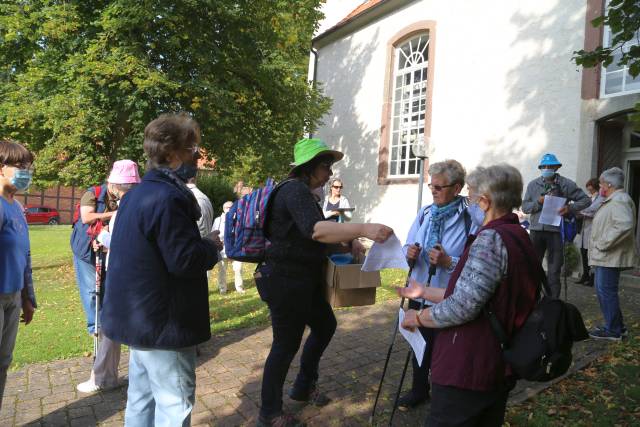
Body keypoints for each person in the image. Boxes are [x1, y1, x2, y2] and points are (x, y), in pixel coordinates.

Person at [255, 138, 393, 427]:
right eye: (325, 166)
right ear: (308, 167)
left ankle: (303, 385)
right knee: (285, 345)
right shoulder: (294, 191)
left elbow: (311, 239)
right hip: (285, 281)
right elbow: (315, 231)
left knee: (325, 325)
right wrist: (364, 228)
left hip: (302, 282)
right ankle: (269, 413)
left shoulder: (304, 193)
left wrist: (347, 244)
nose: (330, 173)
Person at [101, 114, 223, 426]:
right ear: (170, 153)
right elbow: (184, 261)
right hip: (163, 323)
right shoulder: (168, 197)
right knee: (174, 404)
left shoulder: (137, 195)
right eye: (192, 149)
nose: (198, 157)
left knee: (141, 401)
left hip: (139, 319)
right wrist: (210, 244)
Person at [399, 164, 540, 427]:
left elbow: (463, 306)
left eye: (473, 197)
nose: (470, 202)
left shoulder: (491, 239)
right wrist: (423, 291)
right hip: (496, 358)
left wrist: (418, 316)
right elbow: (480, 292)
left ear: (485, 202)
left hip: (470, 363)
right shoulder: (518, 233)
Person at [397, 159, 479, 410]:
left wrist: (448, 261)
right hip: (419, 291)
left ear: (456, 188)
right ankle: (419, 390)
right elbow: (406, 245)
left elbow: (477, 263)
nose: (433, 191)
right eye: (431, 186)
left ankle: (447, 397)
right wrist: (409, 253)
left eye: (439, 187)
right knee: (419, 346)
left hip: (448, 297)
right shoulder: (425, 213)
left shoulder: (470, 217)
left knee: (448, 351)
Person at [76, 160, 141, 393]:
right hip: (137, 277)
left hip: (121, 276)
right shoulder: (142, 204)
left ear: (114, 185)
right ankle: (130, 377)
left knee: (111, 325)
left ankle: (103, 378)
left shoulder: (124, 209)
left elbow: (124, 242)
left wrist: (103, 240)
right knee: (128, 325)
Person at [0, 139, 37, 410]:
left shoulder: (17, 207)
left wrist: (26, 297)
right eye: (20, 166)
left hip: (12, 297)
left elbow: (24, 256)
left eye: (28, 166)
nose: (26, 171)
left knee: (3, 362)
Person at [522, 153, 590, 298]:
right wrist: (538, 202)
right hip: (536, 232)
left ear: (556, 167)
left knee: (554, 272)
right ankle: (532, 301)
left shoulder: (566, 184)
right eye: (544, 166)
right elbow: (525, 208)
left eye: (550, 166)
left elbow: (586, 201)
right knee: (533, 268)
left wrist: (569, 208)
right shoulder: (533, 185)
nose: (547, 168)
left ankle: (553, 304)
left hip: (556, 232)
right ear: (540, 168)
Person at [588, 167, 638, 341]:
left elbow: (624, 225)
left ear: (608, 184)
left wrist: (603, 244)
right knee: (605, 291)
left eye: (601, 183)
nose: (600, 186)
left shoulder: (619, 200)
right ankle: (617, 326)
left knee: (606, 292)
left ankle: (613, 330)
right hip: (607, 256)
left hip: (609, 256)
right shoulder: (613, 200)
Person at [70, 169, 118, 335]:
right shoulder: (92, 193)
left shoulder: (123, 197)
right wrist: (115, 214)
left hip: (105, 246)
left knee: (105, 288)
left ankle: (106, 324)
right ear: (111, 182)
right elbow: (87, 217)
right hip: (84, 248)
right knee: (91, 290)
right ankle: (95, 327)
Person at [576, 178, 605, 286]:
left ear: (595, 186)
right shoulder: (588, 197)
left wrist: (581, 212)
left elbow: (593, 210)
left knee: (590, 254)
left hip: (593, 228)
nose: (588, 189)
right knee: (583, 252)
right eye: (588, 187)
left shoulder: (600, 198)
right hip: (584, 228)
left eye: (590, 187)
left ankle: (592, 277)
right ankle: (585, 275)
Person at [212, 201, 245, 294]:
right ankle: (222, 289)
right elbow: (213, 234)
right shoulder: (218, 220)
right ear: (223, 209)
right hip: (222, 249)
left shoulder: (239, 219)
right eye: (227, 207)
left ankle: (239, 287)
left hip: (235, 248)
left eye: (231, 207)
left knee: (238, 268)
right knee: (222, 270)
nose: (229, 209)